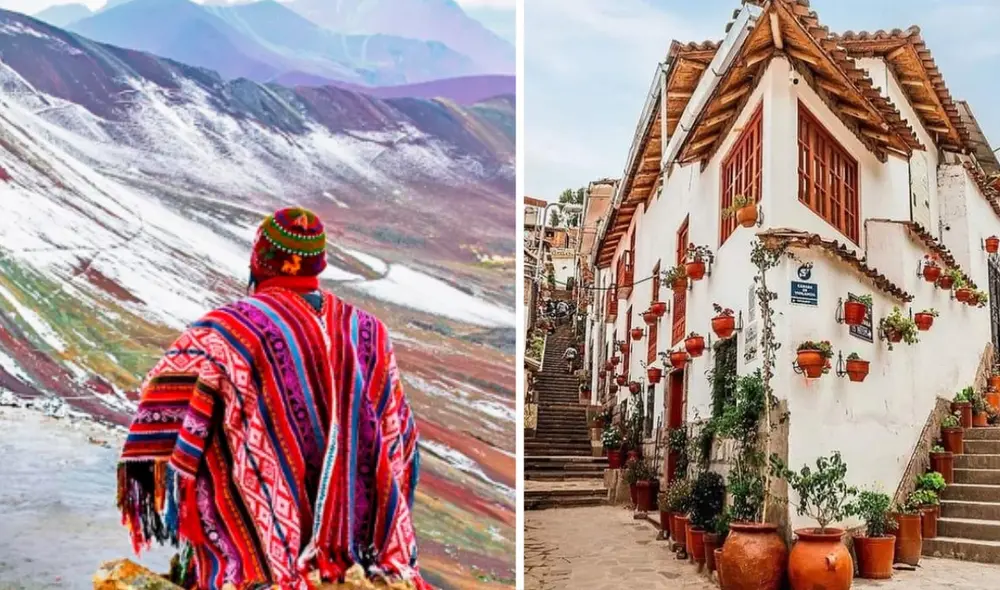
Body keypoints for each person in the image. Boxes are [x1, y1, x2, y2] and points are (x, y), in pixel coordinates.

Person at [116, 207, 430, 590]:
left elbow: (166, 408)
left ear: (260, 259)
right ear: (319, 263)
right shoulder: (370, 331)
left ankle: (255, 557)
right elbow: (397, 432)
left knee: (218, 443)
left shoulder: (226, 330)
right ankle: (345, 553)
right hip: (358, 544)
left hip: (264, 549)